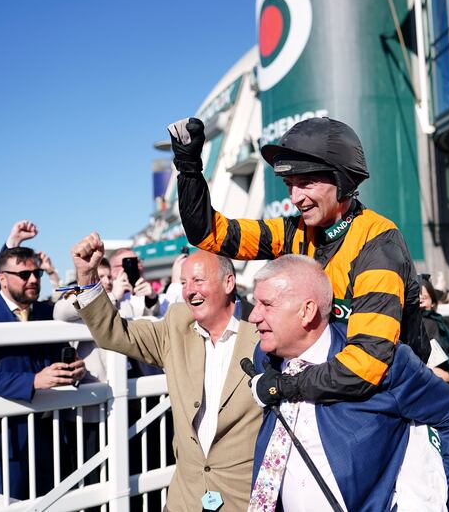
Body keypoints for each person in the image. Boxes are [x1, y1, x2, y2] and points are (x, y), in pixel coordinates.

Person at [169, 115, 424, 407]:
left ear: (342, 181)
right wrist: (189, 169)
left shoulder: (378, 244)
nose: (296, 197)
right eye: (290, 184)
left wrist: (283, 387)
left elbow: (366, 365)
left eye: (306, 183)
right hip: (329, 393)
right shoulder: (294, 230)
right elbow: (209, 235)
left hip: (387, 403)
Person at [246, 255, 449, 511]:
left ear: (307, 311)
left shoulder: (380, 358)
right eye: (256, 303)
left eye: (267, 304)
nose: (254, 316)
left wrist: (434, 498)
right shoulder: (264, 354)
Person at [70, 232, 263, 512]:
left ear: (228, 282)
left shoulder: (263, 327)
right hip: (186, 498)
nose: (189, 291)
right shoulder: (176, 323)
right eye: (184, 283)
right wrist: (88, 277)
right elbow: (115, 334)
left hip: (244, 498)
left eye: (198, 280)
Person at [0, 246, 86, 500]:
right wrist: (34, 381)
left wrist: (74, 369)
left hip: (50, 433)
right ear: (2, 278)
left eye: (37, 273)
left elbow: (59, 356)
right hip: (5, 439)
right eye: (24, 274)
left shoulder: (45, 312)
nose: (33, 280)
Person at [109, 248, 161, 318]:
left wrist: (151, 300)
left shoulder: (143, 293)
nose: (139, 266)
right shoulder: (102, 295)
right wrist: (113, 297)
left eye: (138, 261)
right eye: (131, 263)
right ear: (113, 271)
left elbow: (146, 323)